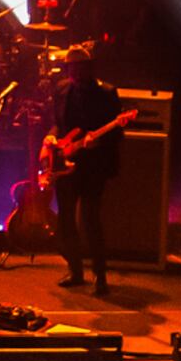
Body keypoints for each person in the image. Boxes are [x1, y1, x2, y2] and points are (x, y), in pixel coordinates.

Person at [41, 47, 127, 293]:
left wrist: (96, 141)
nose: (76, 72)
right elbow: (58, 124)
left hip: (93, 167)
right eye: (72, 68)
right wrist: (50, 137)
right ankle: (75, 271)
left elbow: (117, 133)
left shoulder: (106, 93)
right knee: (66, 221)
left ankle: (100, 277)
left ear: (90, 68)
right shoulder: (61, 89)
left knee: (91, 220)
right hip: (65, 165)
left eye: (81, 67)